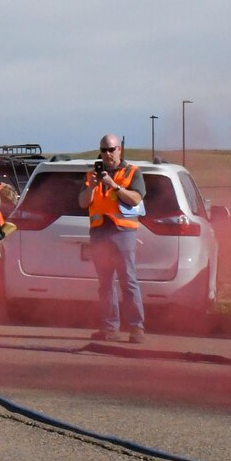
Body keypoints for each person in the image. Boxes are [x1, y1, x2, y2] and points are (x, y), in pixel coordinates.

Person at [80, 133, 146, 342]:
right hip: (100, 232)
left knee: (128, 280)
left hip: (122, 232)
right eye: (104, 150)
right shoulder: (92, 175)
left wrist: (114, 186)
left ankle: (136, 329)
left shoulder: (132, 172)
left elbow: (136, 198)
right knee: (105, 282)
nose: (108, 154)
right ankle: (110, 328)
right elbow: (82, 202)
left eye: (111, 149)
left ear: (120, 149)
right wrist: (93, 186)